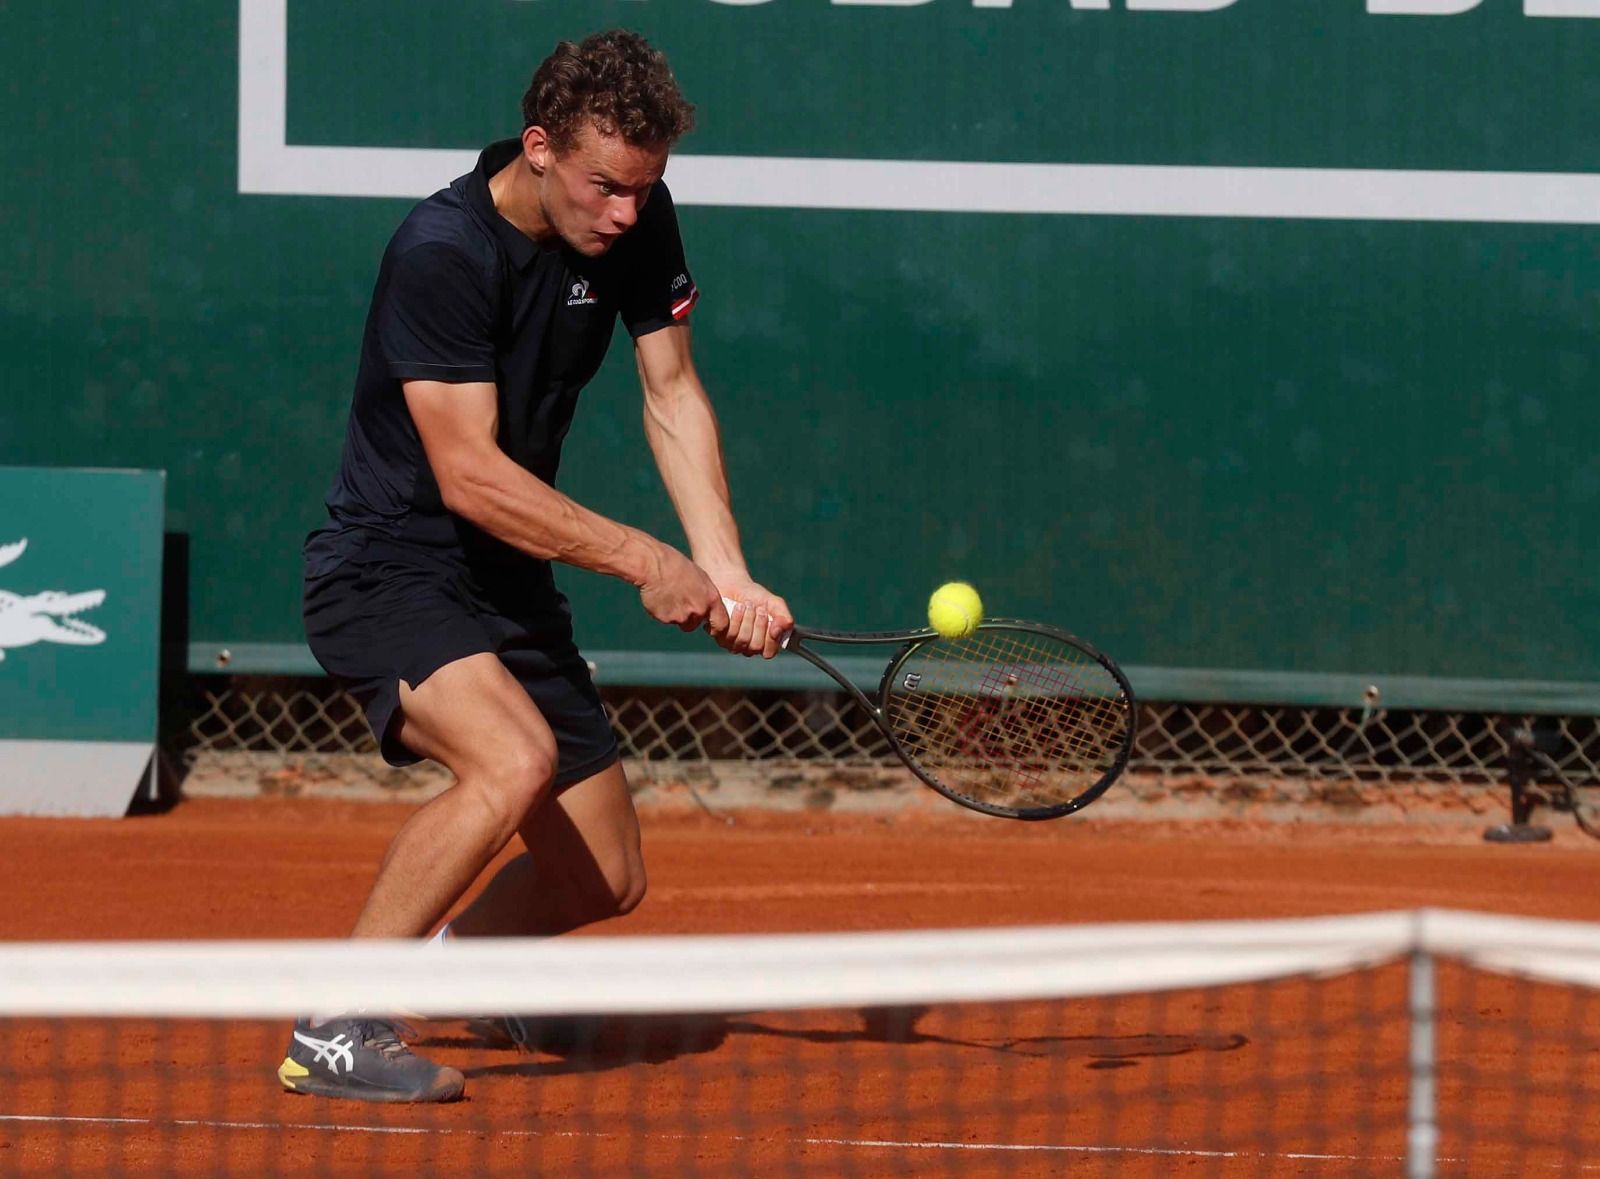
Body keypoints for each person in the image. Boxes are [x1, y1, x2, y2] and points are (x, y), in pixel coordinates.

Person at [278, 29, 791, 1104]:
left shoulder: (633, 222)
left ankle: (471, 972)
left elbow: (671, 394)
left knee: (603, 877)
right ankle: (333, 1023)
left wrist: (726, 568)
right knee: (507, 763)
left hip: (505, 584)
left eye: (645, 191)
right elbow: (467, 476)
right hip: (389, 566)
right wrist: (641, 557)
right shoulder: (440, 252)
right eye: (606, 187)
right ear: (540, 146)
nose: (625, 214)